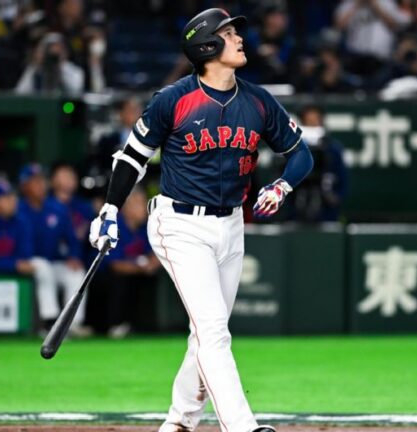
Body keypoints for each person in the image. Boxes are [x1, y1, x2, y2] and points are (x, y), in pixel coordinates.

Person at [88, 8, 313, 432]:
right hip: (179, 225)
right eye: (229, 33)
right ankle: (242, 427)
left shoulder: (258, 100)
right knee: (213, 330)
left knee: (207, 334)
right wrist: (110, 208)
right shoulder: (172, 99)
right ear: (206, 46)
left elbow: (301, 153)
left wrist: (282, 186)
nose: (240, 38)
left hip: (231, 225)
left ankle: (177, 423)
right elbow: (132, 157)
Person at [0, 180, 57, 332]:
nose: (12, 201)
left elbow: (25, 255)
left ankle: (49, 321)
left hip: (11, 266)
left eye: (12, 196)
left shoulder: (21, 221)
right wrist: (10, 263)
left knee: (43, 266)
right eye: (6, 197)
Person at [18, 163, 89, 335]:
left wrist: (74, 256)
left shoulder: (57, 208)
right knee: (43, 267)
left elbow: (72, 239)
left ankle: (72, 325)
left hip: (53, 263)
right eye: (34, 181)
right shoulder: (18, 209)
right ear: (24, 186)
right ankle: (49, 321)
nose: (40, 185)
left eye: (42, 180)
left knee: (77, 273)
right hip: (27, 262)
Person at [105, 188, 161, 338]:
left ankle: (146, 326)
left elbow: (157, 252)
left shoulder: (145, 227)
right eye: (138, 203)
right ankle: (114, 325)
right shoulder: (113, 225)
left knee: (151, 278)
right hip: (104, 279)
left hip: (135, 273)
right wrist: (141, 268)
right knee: (120, 279)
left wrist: (152, 263)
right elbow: (115, 265)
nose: (144, 208)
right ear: (126, 206)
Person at [285, 105, 348, 222]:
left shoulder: (332, 149)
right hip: (296, 210)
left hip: (326, 211)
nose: (312, 124)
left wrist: (334, 198)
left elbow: (342, 180)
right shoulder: (292, 149)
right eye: (308, 121)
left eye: (315, 120)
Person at [15, 32, 84, 95]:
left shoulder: (74, 71)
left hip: (63, 106)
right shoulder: (35, 70)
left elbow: (76, 92)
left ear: (65, 52)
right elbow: (20, 92)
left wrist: (60, 68)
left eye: (59, 49)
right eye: (50, 49)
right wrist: (37, 68)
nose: (54, 53)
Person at [50, 162, 94, 246]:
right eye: (65, 175)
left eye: (72, 175)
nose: (70, 178)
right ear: (53, 180)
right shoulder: (44, 205)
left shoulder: (84, 207)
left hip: (79, 256)